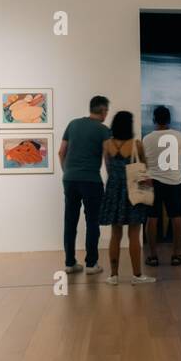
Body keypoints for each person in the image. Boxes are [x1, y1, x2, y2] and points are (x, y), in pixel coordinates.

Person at [99, 111, 155, 285]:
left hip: (113, 191)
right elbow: (143, 169)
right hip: (133, 192)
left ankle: (113, 275)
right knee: (134, 234)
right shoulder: (136, 145)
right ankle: (137, 275)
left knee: (115, 235)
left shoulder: (106, 144)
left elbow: (108, 168)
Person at [59, 95, 110, 274]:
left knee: (70, 221)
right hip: (91, 181)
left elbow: (61, 152)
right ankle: (91, 264)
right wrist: (110, 179)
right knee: (92, 221)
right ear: (103, 110)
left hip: (70, 179)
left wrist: (67, 172)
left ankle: (70, 263)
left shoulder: (73, 124)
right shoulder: (104, 130)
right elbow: (107, 158)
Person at [143, 105, 181, 267]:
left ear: (154, 119)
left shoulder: (147, 139)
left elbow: (144, 162)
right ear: (169, 120)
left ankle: (153, 256)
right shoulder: (179, 136)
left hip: (153, 182)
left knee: (152, 219)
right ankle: (176, 254)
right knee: (176, 217)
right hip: (174, 181)